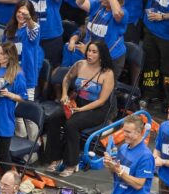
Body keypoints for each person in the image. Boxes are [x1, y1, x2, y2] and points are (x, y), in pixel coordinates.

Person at [44, 41, 116, 176]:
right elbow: (67, 78)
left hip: (96, 109)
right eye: (89, 51)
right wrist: (64, 94)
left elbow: (101, 101)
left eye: (94, 52)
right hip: (77, 103)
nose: (90, 54)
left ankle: (71, 163)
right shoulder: (80, 64)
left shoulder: (108, 73)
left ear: (101, 55)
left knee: (72, 124)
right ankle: (55, 157)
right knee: (54, 118)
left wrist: (82, 110)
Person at [105, 116, 154, 194]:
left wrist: (119, 171)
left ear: (138, 133)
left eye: (128, 132)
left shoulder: (146, 156)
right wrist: (110, 166)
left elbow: (139, 184)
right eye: (123, 130)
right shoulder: (123, 148)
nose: (124, 134)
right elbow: (116, 174)